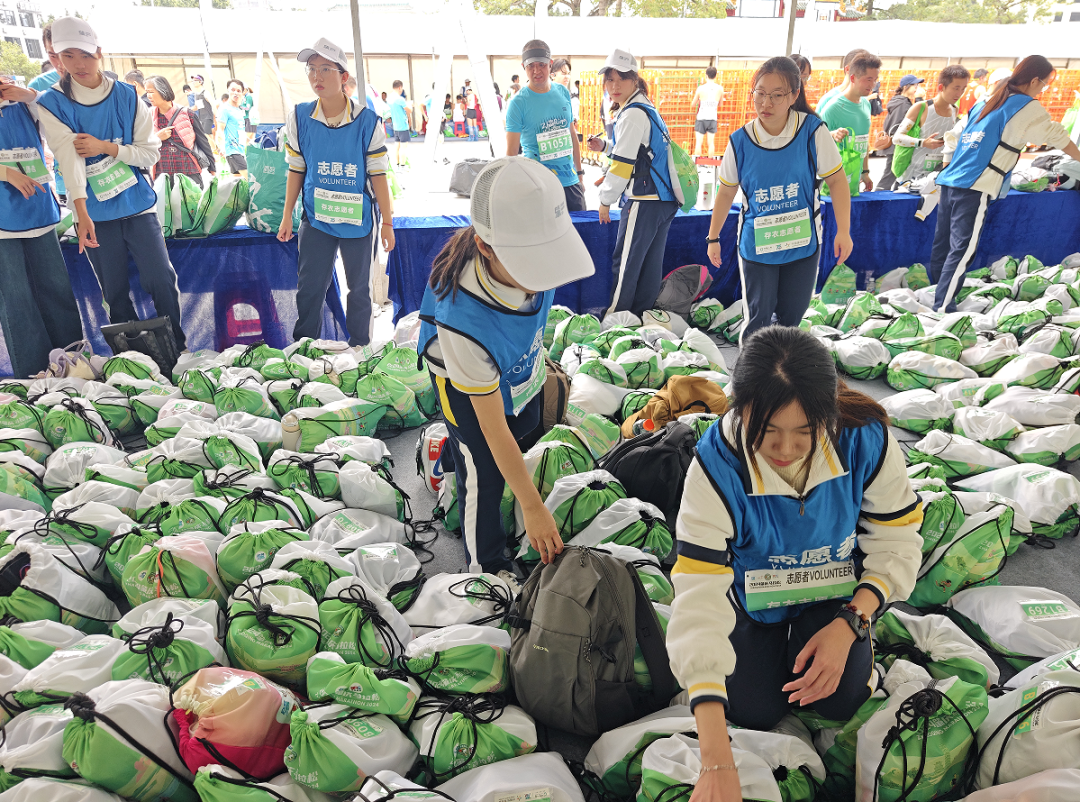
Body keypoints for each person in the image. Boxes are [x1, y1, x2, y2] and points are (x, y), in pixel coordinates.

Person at [667, 325, 923, 802]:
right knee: (751, 711)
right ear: (740, 409)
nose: (785, 451)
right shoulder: (716, 466)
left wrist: (852, 621)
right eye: (767, 432)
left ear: (829, 413)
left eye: (805, 432)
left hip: (834, 598)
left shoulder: (865, 438)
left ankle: (839, 640)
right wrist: (716, 759)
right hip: (754, 599)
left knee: (842, 697)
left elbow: (897, 541)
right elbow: (698, 598)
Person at [417, 157, 594, 592]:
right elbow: (493, 428)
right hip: (463, 384)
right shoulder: (462, 317)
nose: (543, 276)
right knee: (486, 468)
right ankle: (486, 564)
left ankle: (450, 455)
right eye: (531, 263)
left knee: (526, 424)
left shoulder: (533, 260)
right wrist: (533, 507)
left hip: (514, 366)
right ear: (486, 248)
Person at [36, 17, 187, 352]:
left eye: (85, 55)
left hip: (137, 206)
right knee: (114, 292)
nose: (78, 64)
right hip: (94, 214)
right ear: (57, 57)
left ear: (99, 53)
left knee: (161, 279)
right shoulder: (51, 103)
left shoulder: (127, 96)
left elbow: (149, 153)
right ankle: (132, 358)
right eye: (68, 55)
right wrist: (81, 213)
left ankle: (176, 347)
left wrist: (105, 147)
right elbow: (69, 160)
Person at [705, 57, 852, 343]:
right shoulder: (740, 141)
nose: (766, 103)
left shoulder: (813, 131)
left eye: (776, 95)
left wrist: (844, 231)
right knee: (758, 319)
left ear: (794, 96)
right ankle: (751, 370)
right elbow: (726, 192)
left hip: (802, 243)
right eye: (760, 93)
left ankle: (783, 369)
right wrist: (713, 238)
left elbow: (837, 181)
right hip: (758, 246)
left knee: (792, 318)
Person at [930, 55, 1080, 314]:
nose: (1042, 90)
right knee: (963, 250)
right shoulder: (1026, 106)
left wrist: (947, 167)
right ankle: (943, 307)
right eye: (1044, 85)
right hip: (976, 185)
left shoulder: (988, 99)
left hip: (951, 179)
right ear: (1034, 80)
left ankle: (934, 292)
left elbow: (955, 136)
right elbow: (1056, 135)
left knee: (943, 244)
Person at [277, 37, 395, 349]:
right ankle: (305, 349)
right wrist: (287, 216)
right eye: (311, 69)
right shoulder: (299, 117)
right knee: (310, 288)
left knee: (359, 290)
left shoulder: (367, 122)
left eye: (325, 69)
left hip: (357, 218)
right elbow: (296, 168)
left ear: (343, 77)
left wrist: (387, 222)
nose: (316, 76)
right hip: (316, 217)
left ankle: (359, 348)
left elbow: (378, 174)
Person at [0, 78, 84, 378]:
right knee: (16, 301)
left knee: (57, 291)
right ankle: (34, 377)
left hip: (39, 213)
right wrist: (6, 173)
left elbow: (64, 121)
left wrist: (31, 96)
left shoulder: (23, 102)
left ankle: (74, 363)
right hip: (3, 224)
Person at [588, 49, 679, 316]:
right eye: (609, 79)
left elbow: (622, 165)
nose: (614, 86)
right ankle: (641, 318)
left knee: (626, 264)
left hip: (644, 199)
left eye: (621, 79)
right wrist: (606, 146)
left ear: (634, 80)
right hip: (663, 200)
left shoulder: (632, 114)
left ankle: (615, 320)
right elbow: (638, 152)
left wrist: (605, 200)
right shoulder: (645, 107)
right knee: (650, 266)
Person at [505, 39, 585, 212]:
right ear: (523, 67)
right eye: (531, 66)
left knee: (580, 228)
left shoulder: (563, 92)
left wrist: (580, 175)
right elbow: (511, 153)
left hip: (571, 183)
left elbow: (572, 136)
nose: (536, 71)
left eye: (541, 65)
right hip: (538, 186)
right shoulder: (518, 103)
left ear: (550, 64)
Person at [818, 52, 884, 196]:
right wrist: (832, 134)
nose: (873, 85)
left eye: (875, 80)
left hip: (854, 183)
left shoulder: (866, 104)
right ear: (853, 78)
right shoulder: (833, 107)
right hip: (831, 185)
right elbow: (814, 140)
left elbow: (864, 141)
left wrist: (865, 172)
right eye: (868, 79)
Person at [891, 65, 970, 185]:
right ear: (941, 87)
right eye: (956, 88)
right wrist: (922, 142)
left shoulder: (954, 110)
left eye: (963, 89)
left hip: (936, 178)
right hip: (911, 178)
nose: (959, 93)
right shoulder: (921, 107)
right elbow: (897, 138)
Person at [144, 75, 203, 188]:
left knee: (193, 198)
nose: (148, 96)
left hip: (187, 168)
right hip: (162, 171)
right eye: (147, 92)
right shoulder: (146, 116)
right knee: (166, 199)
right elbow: (141, 145)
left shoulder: (186, 113)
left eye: (151, 92)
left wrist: (211, 166)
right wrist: (157, 138)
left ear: (163, 91)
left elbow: (201, 140)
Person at [877, 74, 923, 191]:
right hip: (898, 145)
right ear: (906, 87)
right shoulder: (903, 104)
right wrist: (919, 100)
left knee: (898, 174)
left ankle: (894, 195)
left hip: (898, 144)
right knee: (891, 175)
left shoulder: (900, 101)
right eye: (914, 85)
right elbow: (901, 125)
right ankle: (879, 196)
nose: (917, 88)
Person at [692, 66, 725, 157]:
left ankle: (698, 164)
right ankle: (710, 164)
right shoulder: (720, 89)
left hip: (701, 118)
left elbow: (693, 104)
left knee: (699, 143)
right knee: (711, 143)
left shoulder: (700, 88)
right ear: (715, 76)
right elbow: (721, 104)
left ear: (706, 75)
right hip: (712, 118)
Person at [219, 79, 247, 176]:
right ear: (228, 90)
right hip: (232, 150)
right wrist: (222, 147)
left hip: (240, 150)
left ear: (242, 93)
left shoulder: (238, 110)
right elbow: (220, 129)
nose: (235, 93)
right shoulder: (224, 109)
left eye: (238, 91)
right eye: (233, 90)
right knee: (249, 178)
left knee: (239, 179)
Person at [387, 80, 413, 167]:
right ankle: (402, 165)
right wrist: (410, 105)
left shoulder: (389, 98)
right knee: (403, 147)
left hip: (395, 125)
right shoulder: (400, 99)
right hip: (403, 125)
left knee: (397, 146)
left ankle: (397, 164)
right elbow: (409, 110)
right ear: (400, 87)